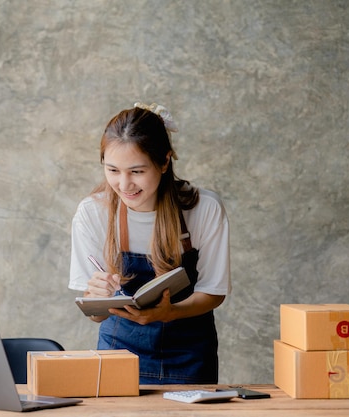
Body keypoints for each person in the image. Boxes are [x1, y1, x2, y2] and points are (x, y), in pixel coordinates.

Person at [69, 102, 231, 384]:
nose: (124, 184)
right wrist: (96, 298)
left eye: (137, 171)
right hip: (119, 355)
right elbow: (94, 316)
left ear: (165, 162)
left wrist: (172, 312)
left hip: (190, 356)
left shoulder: (204, 209)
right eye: (113, 170)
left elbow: (214, 292)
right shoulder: (93, 212)